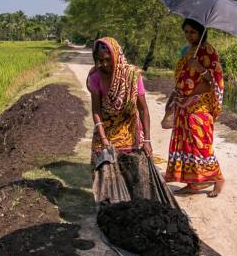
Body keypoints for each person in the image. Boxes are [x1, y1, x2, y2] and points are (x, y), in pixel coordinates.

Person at [164, 19, 225, 198]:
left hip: (199, 107)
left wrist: (200, 68)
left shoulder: (209, 51)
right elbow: (181, 79)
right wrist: (173, 98)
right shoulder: (187, 51)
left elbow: (214, 81)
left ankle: (218, 178)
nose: (189, 35)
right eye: (186, 31)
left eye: (193, 32)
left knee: (200, 144)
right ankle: (192, 184)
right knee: (186, 145)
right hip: (183, 106)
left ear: (201, 33)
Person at [87, 36, 152, 161]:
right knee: (102, 166)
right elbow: (96, 110)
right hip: (105, 129)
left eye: (108, 59)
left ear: (116, 55)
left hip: (129, 128)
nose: (104, 64)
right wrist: (103, 138)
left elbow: (143, 109)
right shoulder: (95, 76)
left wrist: (147, 140)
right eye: (100, 60)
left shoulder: (132, 75)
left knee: (133, 170)